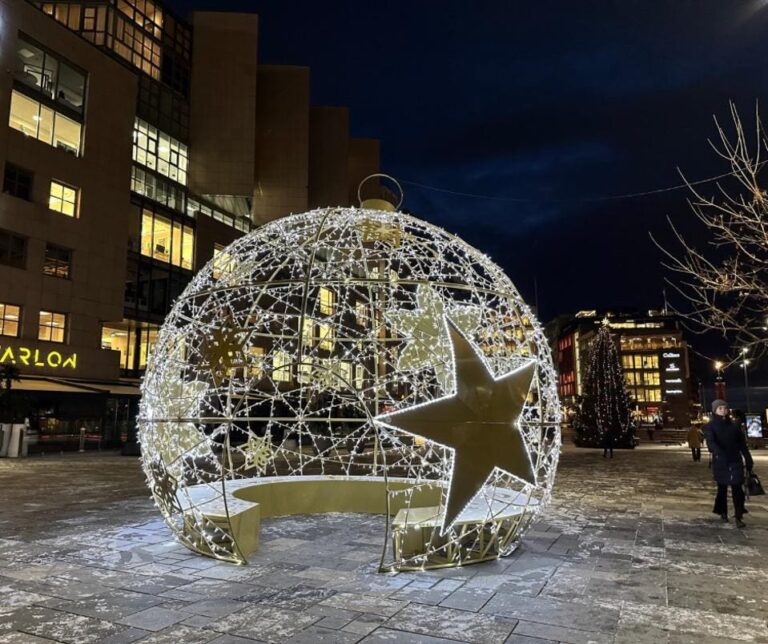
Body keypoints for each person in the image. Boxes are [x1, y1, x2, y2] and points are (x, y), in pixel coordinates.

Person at [704, 399, 753, 528]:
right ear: (715, 410)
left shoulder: (734, 426)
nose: (723, 410)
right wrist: (718, 452)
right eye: (720, 408)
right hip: (721, 462)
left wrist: (748, 458)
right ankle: (723, 511)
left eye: (725, 408)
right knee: (722, 489)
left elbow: (742, 444)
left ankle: (738, 515)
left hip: (735, 460)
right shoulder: (710, 426)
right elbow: (710, 442)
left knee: (738, 489)